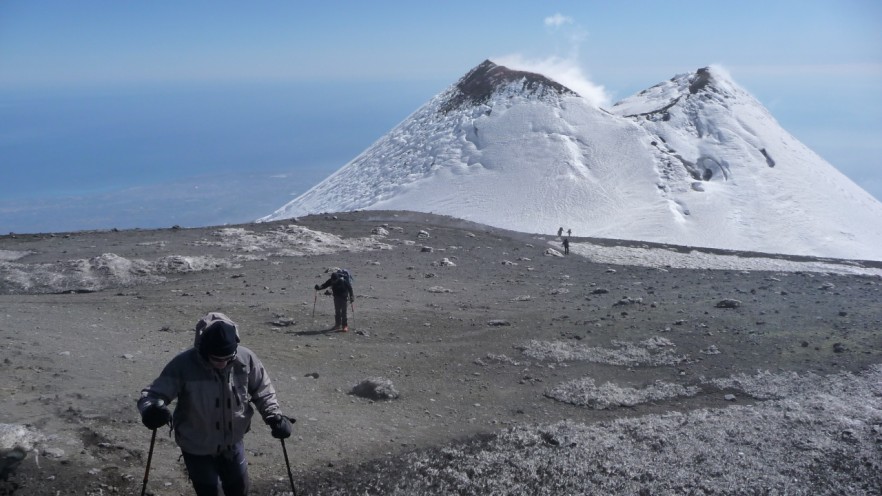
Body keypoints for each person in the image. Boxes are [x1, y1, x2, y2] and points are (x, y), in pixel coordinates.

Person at [137, 312, 293, 496]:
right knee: (210, 492)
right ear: (204, 351)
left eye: (228, 358)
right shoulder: (183, 365)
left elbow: (263, 390)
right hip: (196, 446)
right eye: (216, 359)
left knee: (239, 490)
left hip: (233, 442)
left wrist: (274, 416)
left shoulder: (246, 359)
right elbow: (152, 394)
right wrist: (151, 410)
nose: (222, 363)